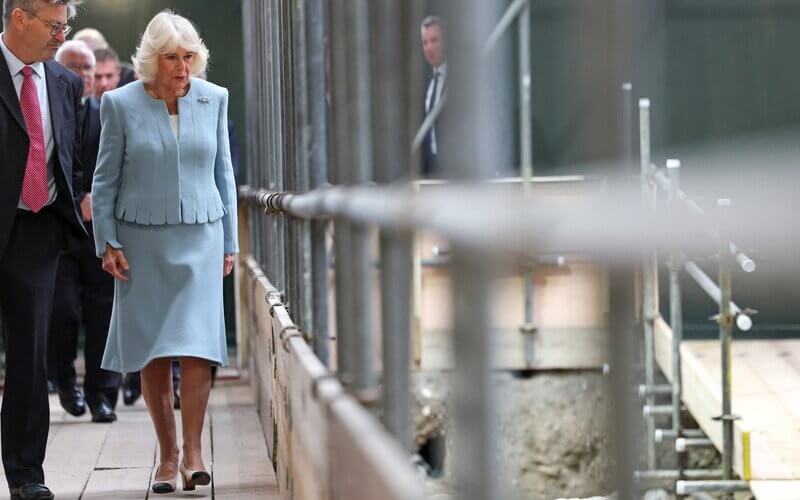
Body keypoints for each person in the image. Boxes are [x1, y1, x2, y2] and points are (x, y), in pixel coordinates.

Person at [91, 10, 238, 494]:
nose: (182, 67)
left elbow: (225, 177)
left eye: (189, 56)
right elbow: (105, 178)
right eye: (172, 57)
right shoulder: (119, 103)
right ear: (152, 60)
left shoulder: (214, 99)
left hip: (202, 236)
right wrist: (107, 241)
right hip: (141, 240)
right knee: (152, 348)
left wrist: (231, 242)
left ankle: (194, 453)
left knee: (198, 346)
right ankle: (167, 457)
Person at [0, 1, 86, 499]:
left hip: (36, 232)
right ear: (19, 18)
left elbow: (69, 159)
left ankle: (26, 476)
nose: (62, 36)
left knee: (30, 360)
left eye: (65, 26)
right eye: (54, 26)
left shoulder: (65, 83)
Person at [49, 39, 120, 423]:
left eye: (87, 69)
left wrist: (98, 200)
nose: (81, 76)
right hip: (57, 233)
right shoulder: (44, 114)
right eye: (73, 68)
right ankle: (64, 381)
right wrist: (75, 200)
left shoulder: (109, 114)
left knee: (103, 314)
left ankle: (101, 395)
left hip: (100, 232)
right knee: (61, 313)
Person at [420, 15, 447, 177]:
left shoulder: (459, 80)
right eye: (425, 43)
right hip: (431, 173)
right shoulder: (427, 86)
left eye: (434, 40)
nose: (429, 47)